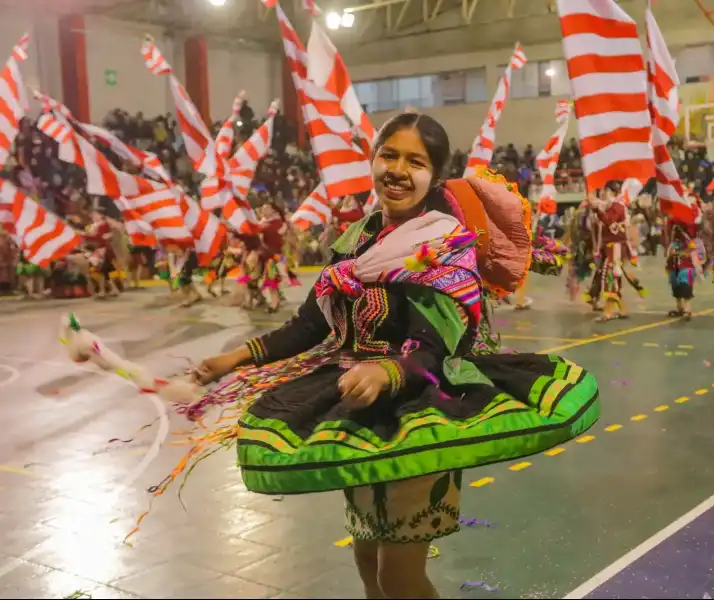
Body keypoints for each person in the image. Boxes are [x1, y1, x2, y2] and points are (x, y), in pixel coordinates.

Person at [185, 113, 599, 598]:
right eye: (389, 155)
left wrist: (388, 370)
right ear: (372, 159)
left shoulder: (445, 243)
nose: (399, 170)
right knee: (366, 559)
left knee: (397, 576)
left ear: (435, 175)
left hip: (422, 407)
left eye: (415, 161)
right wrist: (233, 359)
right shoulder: (354, 241)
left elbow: (435, 343)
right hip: (361, 414)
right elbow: (309, 324)